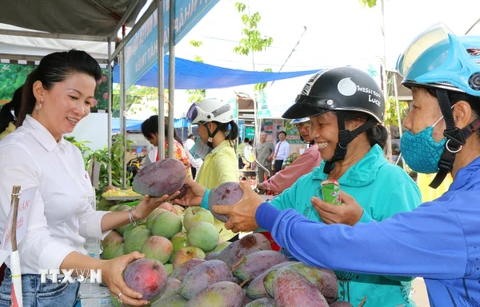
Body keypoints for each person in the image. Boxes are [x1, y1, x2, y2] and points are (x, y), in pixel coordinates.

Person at [210, 24, 480, 306]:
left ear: (458, 115)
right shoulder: (464, 200)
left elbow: (345, 248)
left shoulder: (463, 214)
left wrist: (268, 216)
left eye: (415, 107)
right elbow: (389, 248)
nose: (408, 122)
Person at [179, 66, 423, 306]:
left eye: (321, 123)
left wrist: (358, 224)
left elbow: (409, 264)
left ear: (356, 123)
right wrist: (207, 198)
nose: (313, 134)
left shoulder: (393, 185)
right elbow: (257, 214)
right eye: (312, 124)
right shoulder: (309, 184)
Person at [0, 50, 178, 307]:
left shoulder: (69, 152)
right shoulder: (16, 152)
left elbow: (81, 218)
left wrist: (136, 214)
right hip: (34, 290)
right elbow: (27, 241)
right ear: (40, 91)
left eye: (88, 102)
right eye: (73, 97)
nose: (81, 110)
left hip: (69, 283)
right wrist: (101, 267)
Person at [185, 98, 240, 241]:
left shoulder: (223, 156)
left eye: (198, 126)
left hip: (220, 236)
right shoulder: (217, 152)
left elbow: (232, 197)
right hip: (209, 231)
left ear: (209, 126)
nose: (197, 131)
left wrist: (205, 199)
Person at [257, 118, 321, 194]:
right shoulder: (277, 144)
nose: (302, 130)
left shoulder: (314, 151)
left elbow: (292, 174)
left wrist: (267, 184)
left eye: (307, 125)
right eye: (298, 126)